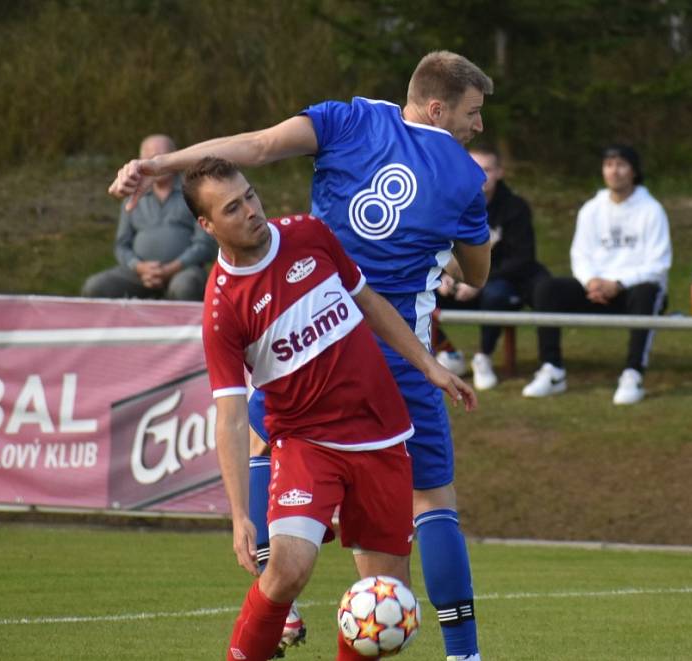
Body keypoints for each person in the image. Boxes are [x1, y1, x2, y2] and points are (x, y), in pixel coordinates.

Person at [109, 51, 493, 661]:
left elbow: (256, 146)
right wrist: (440, 248)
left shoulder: (350, 120)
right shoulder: (466, 178)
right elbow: (476, 271)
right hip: (397, 349)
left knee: (268, 444)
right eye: (473, 113)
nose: (478, 127)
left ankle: (279, 608)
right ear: (439, 107)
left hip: (311, 335)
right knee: (432, 502)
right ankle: (464, 653)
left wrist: (158, 162)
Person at [184, 157, 476, 661]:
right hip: (306, 444)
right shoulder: (222, 306)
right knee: (288, 569)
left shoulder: (308, 234)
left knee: (383, 604)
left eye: (250, 195)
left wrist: (428, 365)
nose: (252, 210)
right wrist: (237, 516)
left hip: (382, 437)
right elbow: (231, 416)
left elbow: (370, 303)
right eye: (233, 207)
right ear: (207, 225)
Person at [522, 144, 672, 405]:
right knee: (547, 288)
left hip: (632, 291)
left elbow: (659, 263)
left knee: (648, 291)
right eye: (609, 165)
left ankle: (633, 374)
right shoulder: (591, 208)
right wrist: (591, 281)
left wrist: (618, 284)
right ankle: (553, 370)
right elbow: (580, 254)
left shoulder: (652, 210)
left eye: (621, 165)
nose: (614, 171)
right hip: (594, 289)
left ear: (634, 172)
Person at [435, 146, 550, 390]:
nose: (480, 175)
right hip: (458, 279)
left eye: (486, 169)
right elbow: (437, 246)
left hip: (502, 281)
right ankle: (448, 353)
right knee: (419, 290)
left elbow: (522, 258)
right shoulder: (448, 204)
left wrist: (478, 282)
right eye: (474, 168)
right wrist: (444, 275)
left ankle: (483, 358)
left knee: (495, 293)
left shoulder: (516, 208)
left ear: (499, 172)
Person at [82, 134, 216, 300]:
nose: (155, 163)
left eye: (161, 156)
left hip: (184, 271)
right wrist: (138, 267)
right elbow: (122, 245)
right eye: (149, 157)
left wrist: (171, 269)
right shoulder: (132, 197)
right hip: (138, 275)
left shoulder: (194, 192)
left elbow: (206, 244)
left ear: (175, 158)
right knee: (95, 286)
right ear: (140, 161)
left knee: (185, 286)